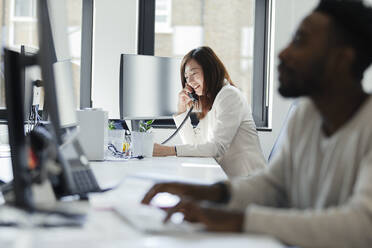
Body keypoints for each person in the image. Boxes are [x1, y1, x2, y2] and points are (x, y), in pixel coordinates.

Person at [142, 1, 372, 247]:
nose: (282, 53)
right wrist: (207, 193)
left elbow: (362, 224)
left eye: (300, 41)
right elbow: (272, 185)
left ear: (341, 59)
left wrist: (239, 220)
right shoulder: (307, 115)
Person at [152, 46, 266, 178]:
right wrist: (181, 110)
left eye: (194, 74)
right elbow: (195, 144)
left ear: (210, 71)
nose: (189, 82)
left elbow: (217, 148)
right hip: (227, 179)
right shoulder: (210, 102)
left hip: (249, 181)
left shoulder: (229, 95)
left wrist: (168, 151)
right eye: (186, 77)